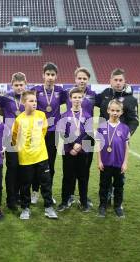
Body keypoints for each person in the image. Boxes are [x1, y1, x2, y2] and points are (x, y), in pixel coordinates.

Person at [12, 90, 58, 220]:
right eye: (31, 101)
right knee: (25, 185)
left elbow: (43, 131)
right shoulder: (19, 119)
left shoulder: (41, 115)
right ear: (23, 102)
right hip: (25, 158)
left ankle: (48, 207)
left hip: (41, 156)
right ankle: (25, 208)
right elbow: (15, 137)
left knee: (46, 183)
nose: (34, 103)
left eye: (35, 101)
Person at [30, 62, 66, 204]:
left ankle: (48, 193)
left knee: (50, 164)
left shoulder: (60, 91)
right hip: (38, 132)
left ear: (56, 76)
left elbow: (73, 99)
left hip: (54, 133)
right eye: (48, 74)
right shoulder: (36, 90)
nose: (50, 77)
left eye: (52, 75)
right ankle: (34, 191)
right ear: (43, 75)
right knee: (36, 162)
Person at [57, 87, 93, 213]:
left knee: (83, 177)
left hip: (83, 151)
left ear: (82, 99)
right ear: (70, 99)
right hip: (68, 151)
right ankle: (64, 201)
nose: (77, 99)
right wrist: (72, 146)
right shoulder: (64, 115)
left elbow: (89, 133)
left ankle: (83, 202)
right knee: (67, 177)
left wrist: (80, 145)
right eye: (75, 97)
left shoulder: (87, 115)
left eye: (79, 97)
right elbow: (62, 134)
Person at [65, 67, 96, 207]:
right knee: (69, 170)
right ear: (75, 79)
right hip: (71, 137)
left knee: (85, 168)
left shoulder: (94, 95)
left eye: (84, 78)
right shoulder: (68, 93)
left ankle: (84, 196)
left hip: (87, 136)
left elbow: (109, 106)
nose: (82, 80)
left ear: (88, 80)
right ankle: (70, 195)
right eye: (79, 78)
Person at [96, 100, 130, 218]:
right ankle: (102, 206)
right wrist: (99, 161)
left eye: (117, 111)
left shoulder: (125, 128)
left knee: (119, 186)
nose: (115, 113)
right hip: (105, 162)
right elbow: (98, 146)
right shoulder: (101, 127)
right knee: (104, 186)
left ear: (121, 112)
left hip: (119, 163)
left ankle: (117, 207)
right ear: (108, 111)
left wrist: (125, 163)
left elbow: (127, 147)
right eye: (113, 110)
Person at [0, 72, 27, 210]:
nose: (19, 87)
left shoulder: (28, 98)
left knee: (23, 169)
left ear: (25, 84)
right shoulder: (5, 97)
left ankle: (19, 197)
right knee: (12, 168)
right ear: (12, 85)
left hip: (25, 139)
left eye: (21, 85)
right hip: (10, 139)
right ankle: (11, 200)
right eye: (16, 85)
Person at [96, 68, 139, 135]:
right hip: (104, 137)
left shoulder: (130, 99)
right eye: (115, 80)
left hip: (120, 137)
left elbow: (134, 121)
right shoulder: (106, 93)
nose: (118, 82)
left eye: (120, 80)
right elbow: (91, 100)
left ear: (124, 81)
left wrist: (126, 135)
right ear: (111, 81)